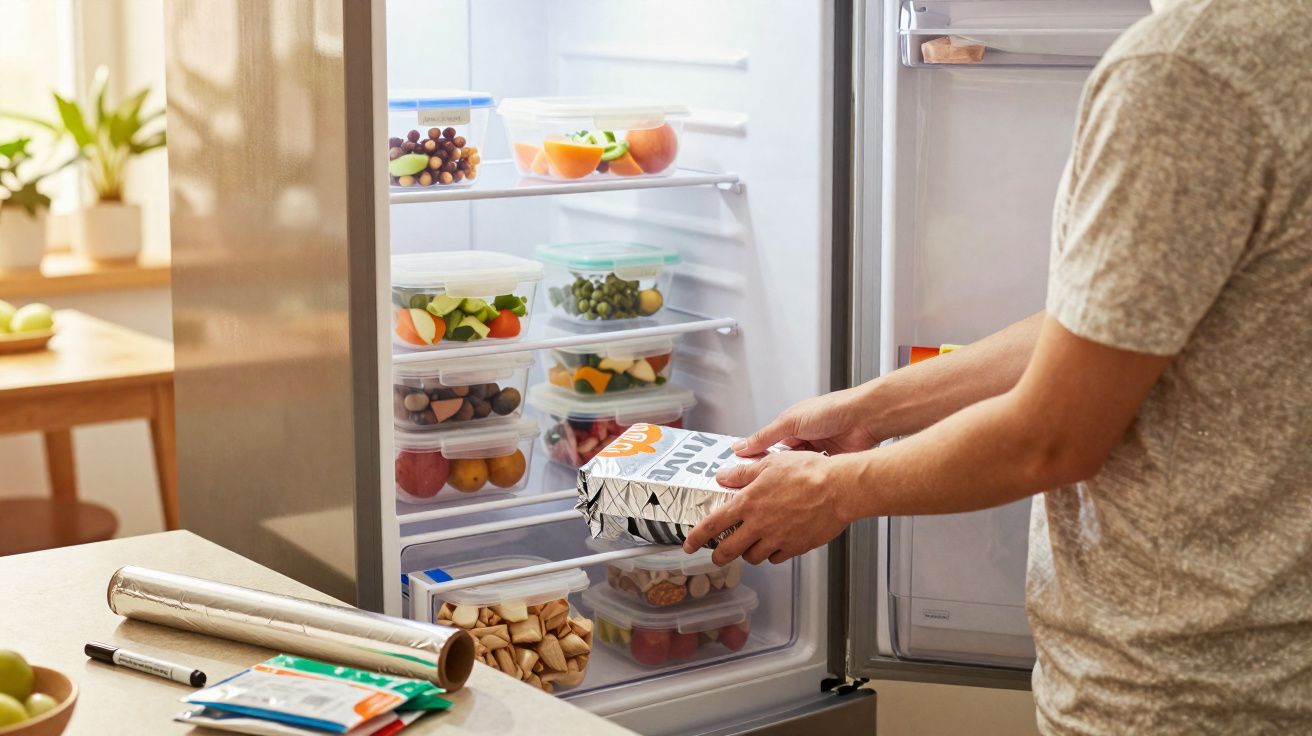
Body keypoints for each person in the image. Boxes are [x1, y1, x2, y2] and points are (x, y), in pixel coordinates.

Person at [682, 0, 1311, 732]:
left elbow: (1054, 437)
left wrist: (835, 490)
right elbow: (1114, 326)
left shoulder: (1185, 72)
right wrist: (873, 409)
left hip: (1181, 689)